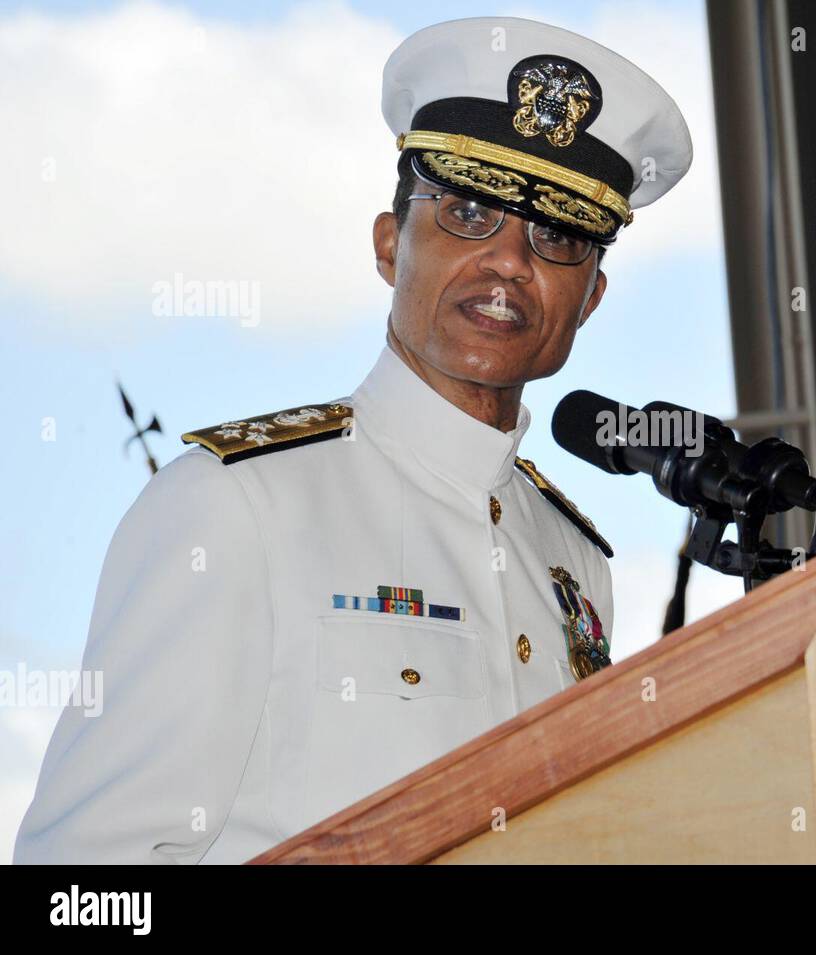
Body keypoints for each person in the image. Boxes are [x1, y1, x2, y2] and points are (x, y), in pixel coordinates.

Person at [14, 15, 691, 864]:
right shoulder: (236, 503)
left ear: (589, 297)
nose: (511, 261)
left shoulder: (573, 557)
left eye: (556, 235)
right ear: (389, 243)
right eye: (468, 211)